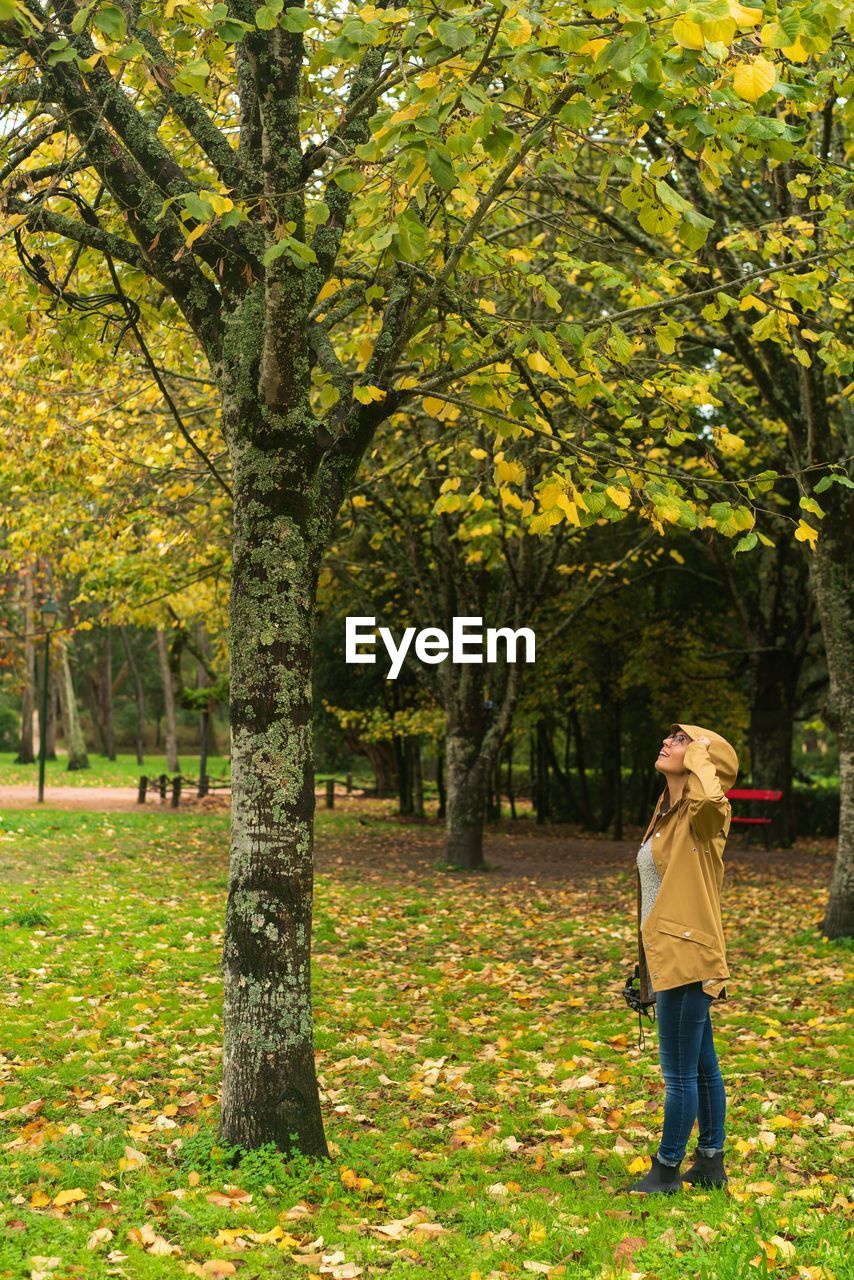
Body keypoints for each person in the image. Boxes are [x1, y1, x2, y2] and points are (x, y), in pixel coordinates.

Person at [626, 722, 739, 1196]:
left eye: (680, 739)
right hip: (670, 951)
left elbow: (712, 802)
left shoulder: (705, 815)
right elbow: (660, 896)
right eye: (670, 737)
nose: (668, 742)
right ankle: (710, 1161)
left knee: (678, 1073)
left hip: (689, 955)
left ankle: (667, 1168)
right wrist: (644, 964)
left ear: (701, 758)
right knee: (701, 1066)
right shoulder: (668, 812)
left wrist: (701, 758)